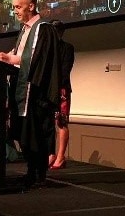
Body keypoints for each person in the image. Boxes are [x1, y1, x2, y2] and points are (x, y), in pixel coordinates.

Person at [0, 0, 62, 188]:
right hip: (22, 90)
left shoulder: (44, 29)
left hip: (36, 93)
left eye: (18, 7)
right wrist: (0, 57)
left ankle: (39, 174)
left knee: (36, 134)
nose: (15, 11)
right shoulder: (24, 30)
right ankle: (31, 171)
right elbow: (18, 55)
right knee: (24, 134)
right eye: (14, 7)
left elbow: (38, 61)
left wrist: (10, 58)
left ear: (31, 6)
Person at [48, 20, 75, 169]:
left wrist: (56, 88)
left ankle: (60, 156)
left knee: (61, 122)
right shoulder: (47, 49)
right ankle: (51, 154)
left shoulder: (67, 48)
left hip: (61, 89)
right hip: (48, 90)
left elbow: (65, 71)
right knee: (48, 123)